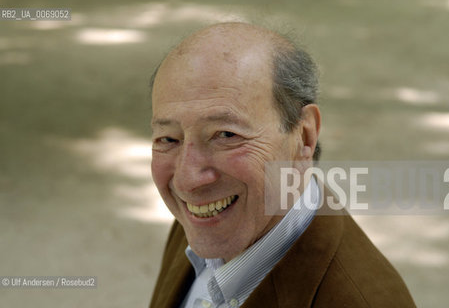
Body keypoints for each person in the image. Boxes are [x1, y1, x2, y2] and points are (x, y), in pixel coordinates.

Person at [149, 22, 416, 308]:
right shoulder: (208, 215)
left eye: (226, 135)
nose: (187, 181)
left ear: (304, 136)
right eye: (168, 138)